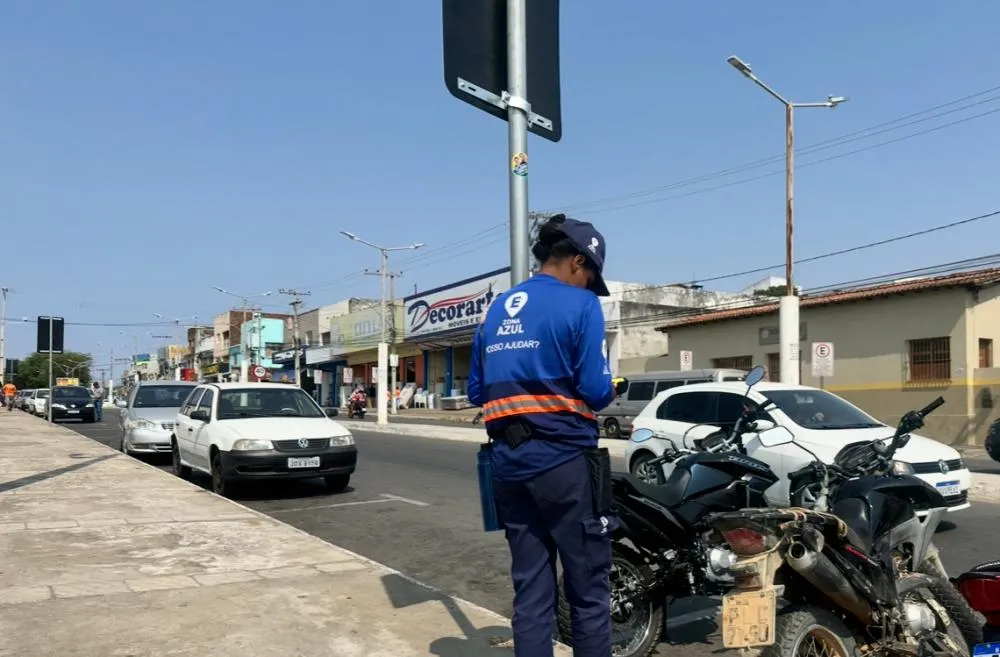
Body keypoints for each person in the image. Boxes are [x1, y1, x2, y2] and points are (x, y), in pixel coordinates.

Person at [468, 214, 618, 657]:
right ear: (577, 261)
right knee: (588, 591)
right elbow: (595, 390)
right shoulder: (582, 306)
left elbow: (477, 389)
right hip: (565, 463)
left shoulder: (497, 308)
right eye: (589, 276)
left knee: (531, 593)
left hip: (508, 465)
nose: (589, 286)